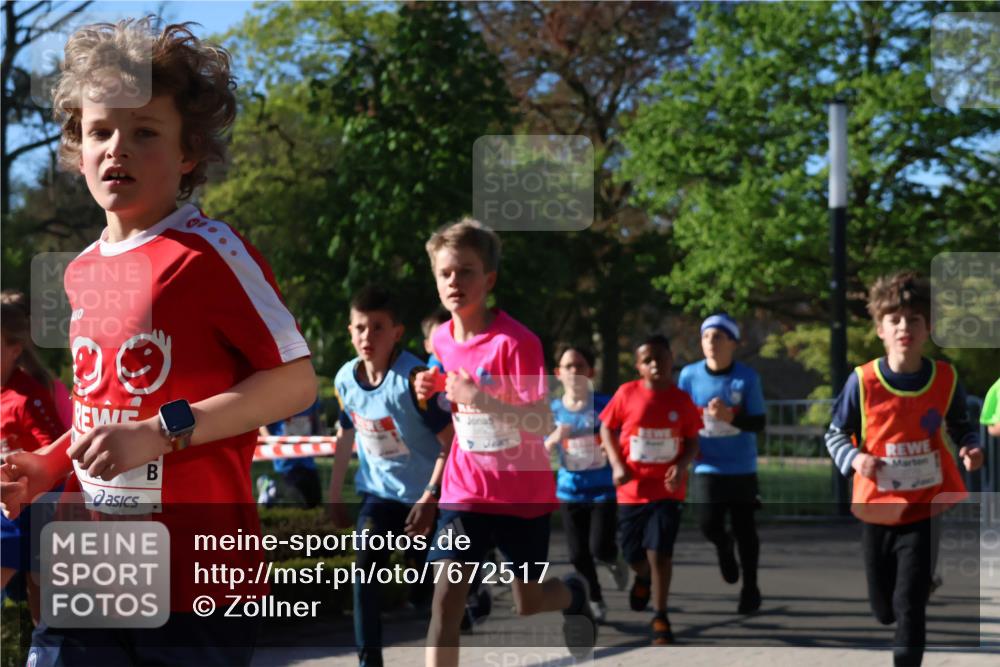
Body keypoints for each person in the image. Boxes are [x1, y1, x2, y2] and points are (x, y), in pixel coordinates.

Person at [0, 19, 316, 666]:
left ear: (188, 153)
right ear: (78, 150)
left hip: (194, 581)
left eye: (145, 131)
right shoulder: (81, 270)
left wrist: (162, 431)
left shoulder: (211, 254)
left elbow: (295, 382)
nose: (117, 148)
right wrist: (48, 465)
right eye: (100, 131)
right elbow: (103, 408)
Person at [413, 218, 596, 666]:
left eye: (466, 271)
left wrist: (480, 397)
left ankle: (573, 594)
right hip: (465, 490)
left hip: (520, 494)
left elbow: (540, 420)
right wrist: (428, 389)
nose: (454, 282)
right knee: (445, 603)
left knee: (527, 602)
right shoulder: (440, 338)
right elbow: (450, 400)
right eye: (445, 273)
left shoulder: (517, 343)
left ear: (489, 280)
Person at [824, 271, 983, 667]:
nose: (904, 328)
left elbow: (961, 425)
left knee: (909, 605)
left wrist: (970, 447)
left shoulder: (945, 378)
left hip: (923, 506)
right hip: (877, 506)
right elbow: (835, 433)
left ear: (928, 328)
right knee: (884, 609)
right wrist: (856, 459)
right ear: (880, 329)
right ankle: (915, 587)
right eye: (894, 320)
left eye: (914, 320)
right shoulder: (862, 381)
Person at [328, 285, 454, 667]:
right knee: (364, 573)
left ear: (397, 332)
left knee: (425, 589)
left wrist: (430, 496)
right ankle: (369, 661)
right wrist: (334, 493)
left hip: (424, 498)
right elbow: (346, 432)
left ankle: (463, 599)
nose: (368, 337)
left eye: (378, 327)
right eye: (360, 328)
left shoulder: (415, 381)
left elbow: (451, 443)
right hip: (378, 495)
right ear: (350, 331)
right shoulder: (344, 379)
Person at [599, 334, 701, 645]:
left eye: (661, 357)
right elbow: (607, 428)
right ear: (638, 366)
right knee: (632, 552)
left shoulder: (681, 400)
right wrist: (617, 464)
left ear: (671, 359)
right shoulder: (627, 393)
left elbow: (692, 441)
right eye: (648, 360)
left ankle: (660, 615)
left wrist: (681, 466)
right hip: (632, 489)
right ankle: (642, 576)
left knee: (661, 553)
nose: (655, 364)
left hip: (668, 490)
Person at [678, 313, 766, 613]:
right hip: (706, 464)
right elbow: (681, 416)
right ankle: (723, 546)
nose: (710, 342)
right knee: (708, 524)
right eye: (705, 336)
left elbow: (759, 422)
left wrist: (731, 417)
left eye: (717, 336)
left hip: (741, 466)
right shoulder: (689, 376)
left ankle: (750, 587)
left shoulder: (746, 378)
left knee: (745, 529)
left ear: (733, 343)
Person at [544, 343, 627, 624]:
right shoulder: (552, 410)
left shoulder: (605, 404)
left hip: (603, 489)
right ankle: (595, 597)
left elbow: (623, 435)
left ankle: (613, 560)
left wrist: (612, 447)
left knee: (599, 548)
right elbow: (540, 448)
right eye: (568, 366)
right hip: (570, 490)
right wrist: (554, 438)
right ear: (558, 373)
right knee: (577, 554)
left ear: (590, 371)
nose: (574, 371)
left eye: (580, 366)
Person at [1, 301, 65, 623]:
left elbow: (56, 454)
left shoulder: (28, 397)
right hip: (8, 505)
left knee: (40, 596)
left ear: (15, 350)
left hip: (32, 505)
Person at [422, 307, 450, 372]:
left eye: (451, 335)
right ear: (427, 346)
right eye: (439, 338)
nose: (446, 343)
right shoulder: (435, 371)